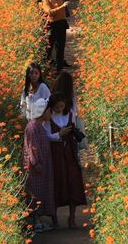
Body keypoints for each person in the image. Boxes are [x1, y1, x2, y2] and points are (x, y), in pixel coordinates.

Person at [43, 92, 87, 228]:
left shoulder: (70, 114)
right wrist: (59, 134)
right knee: (56, 183)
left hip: (70, 153)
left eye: (62, 106)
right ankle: (54, 219)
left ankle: (72, 217)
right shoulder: (48, 118)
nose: (59, 109)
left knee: (73, 182)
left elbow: (75, 129)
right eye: (57, 107)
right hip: (55, 154)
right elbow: (46, 136)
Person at [23, 103, 57, 232]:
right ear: (42, 112)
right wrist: (36, 163)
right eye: (49, 111)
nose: (51, 114)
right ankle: (35, 222)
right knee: (35, 193)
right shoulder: (32, 127)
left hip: (42, 166)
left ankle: (39, 220)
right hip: (36, 167)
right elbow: (32, 147)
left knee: (41, 192)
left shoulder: (39, 126)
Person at [40, 0, 83, 71]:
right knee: (49, 48)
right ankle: (46, 69)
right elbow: (49, 12)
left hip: (61, 23)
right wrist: (62, 7)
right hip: (52, 25)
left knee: (60, 47)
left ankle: (59, 70)